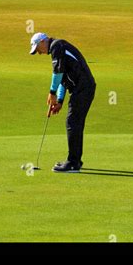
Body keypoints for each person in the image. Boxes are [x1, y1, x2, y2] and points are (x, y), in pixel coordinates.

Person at [30, 32, 96, 173]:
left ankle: (73, 163)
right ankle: (75, 160)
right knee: (74, 122)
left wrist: (52, 93)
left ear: (43, 41)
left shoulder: (56, 46)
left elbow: (57, 73)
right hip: (82, 88)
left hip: (83, 88)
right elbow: (63, 78)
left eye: (38, 49)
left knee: (72, 122)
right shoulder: (58, 49)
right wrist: (59, 100)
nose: (39, 53)